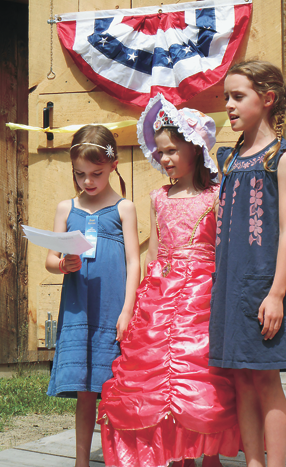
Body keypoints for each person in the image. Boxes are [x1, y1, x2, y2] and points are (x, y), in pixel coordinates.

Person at [98, 94, 241, 467]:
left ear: (195, 149)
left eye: (172, 151)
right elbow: (153, 254)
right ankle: (178, 456)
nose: (164, 159)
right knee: (158, 374)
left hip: (202, 298)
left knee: (203, 378)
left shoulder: (217, 195)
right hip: (161, 300)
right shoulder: (158, 197)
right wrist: (143, 304)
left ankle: (209, 455)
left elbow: (225, 251)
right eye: (160, 152)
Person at [209, 60, 286, 467]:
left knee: (266, 377)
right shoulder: (229, 160)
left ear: (266, 100)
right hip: (232, 285)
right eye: (226, 97)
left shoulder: (281, 158)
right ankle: (253, 461)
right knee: (240, 378)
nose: (228, 105)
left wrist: (278, 293)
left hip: (265, 285)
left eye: (238, 96)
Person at [45, 125, 140, 467]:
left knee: (116, 388)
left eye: (96, 173)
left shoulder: (123, 208)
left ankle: (121, 459)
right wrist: (63, 264)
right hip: (79, 310)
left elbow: (134, 261)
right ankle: (81, 462)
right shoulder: (65, 208)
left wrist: (128, 310)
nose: (88, 181)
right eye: (80, 174)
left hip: (113, 309)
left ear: (113, 166)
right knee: (85, 392)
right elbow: (50, 261)